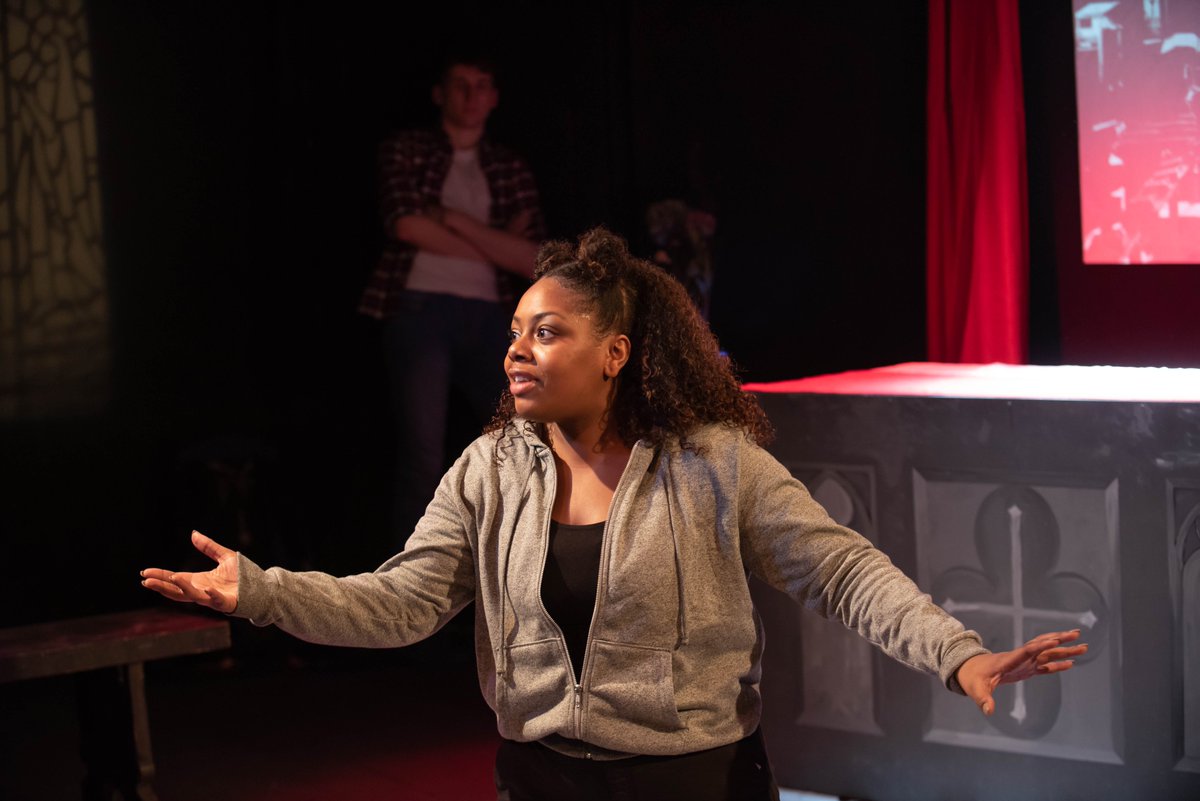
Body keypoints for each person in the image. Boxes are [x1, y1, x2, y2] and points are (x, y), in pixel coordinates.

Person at [143, 228, 1086, 801]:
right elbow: (403, 603)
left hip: (692, 781)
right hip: (540, 779)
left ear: (616, 353)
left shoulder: (712, 463)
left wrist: (957, 653)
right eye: (514, 332)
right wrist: (260, 592)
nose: (516, 350)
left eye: (546, 331)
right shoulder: (488, 470)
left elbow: (840, 569)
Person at [359, 51, 545, 546]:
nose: (470, 95)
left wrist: (452, 220)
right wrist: (496, 241)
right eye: (460, 84)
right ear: (440, 93)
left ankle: (515, 558)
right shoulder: (408, 149)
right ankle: (410, 575)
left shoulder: (507, 166)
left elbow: (531, 259)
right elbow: (405, 225)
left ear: (494, 97)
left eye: (481, 85)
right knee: (422, 451)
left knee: (519, 437)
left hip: (491, 316)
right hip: (420, 307)